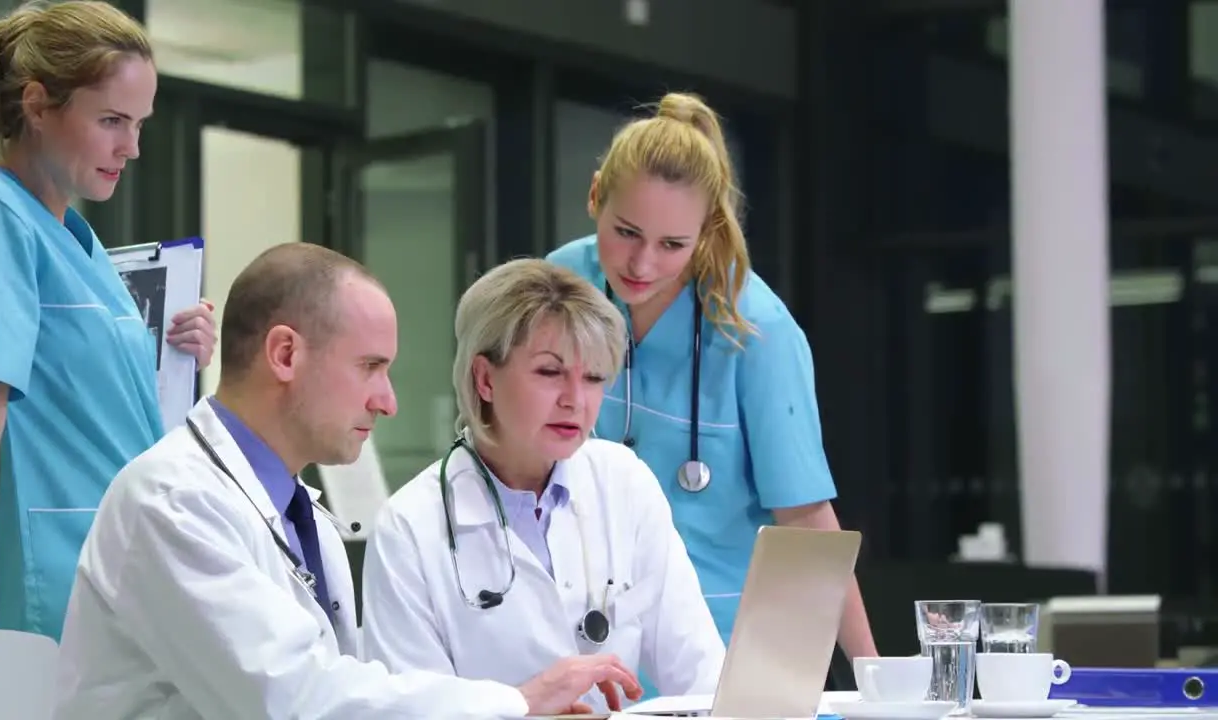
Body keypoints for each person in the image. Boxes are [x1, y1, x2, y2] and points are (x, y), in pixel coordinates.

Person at [53, 243, 642, 719]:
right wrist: (516, 700)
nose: (387, 401)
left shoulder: (305, 518)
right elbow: (295, 701)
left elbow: (350, 697)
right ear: (285, 354)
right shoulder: (172, 501)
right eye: (370, 368)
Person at [547, 92, 877, 660]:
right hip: (574, 648)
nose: (642, 264)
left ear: (707, 231)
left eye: (673, 245)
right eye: (625, 232)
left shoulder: (757, 330)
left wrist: (874, 678)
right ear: (595, 193)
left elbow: (805, 516)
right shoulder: (558, 287)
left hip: (717, 655)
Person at [0, 0, 216, 651]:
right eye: (112, 121)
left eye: (139, 124)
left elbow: (95, 407)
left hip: (118, 567)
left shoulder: (80, 240)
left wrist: (181, 358)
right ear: (38, 107)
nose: (132, 147)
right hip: (47, 577)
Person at [360, 259, 724, 712]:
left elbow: (702, 673)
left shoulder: (624, 482)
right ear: (485, 378)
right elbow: (407, 715)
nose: (575, 399)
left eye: (593, 378)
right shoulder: (410, 527)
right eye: (550, 373)